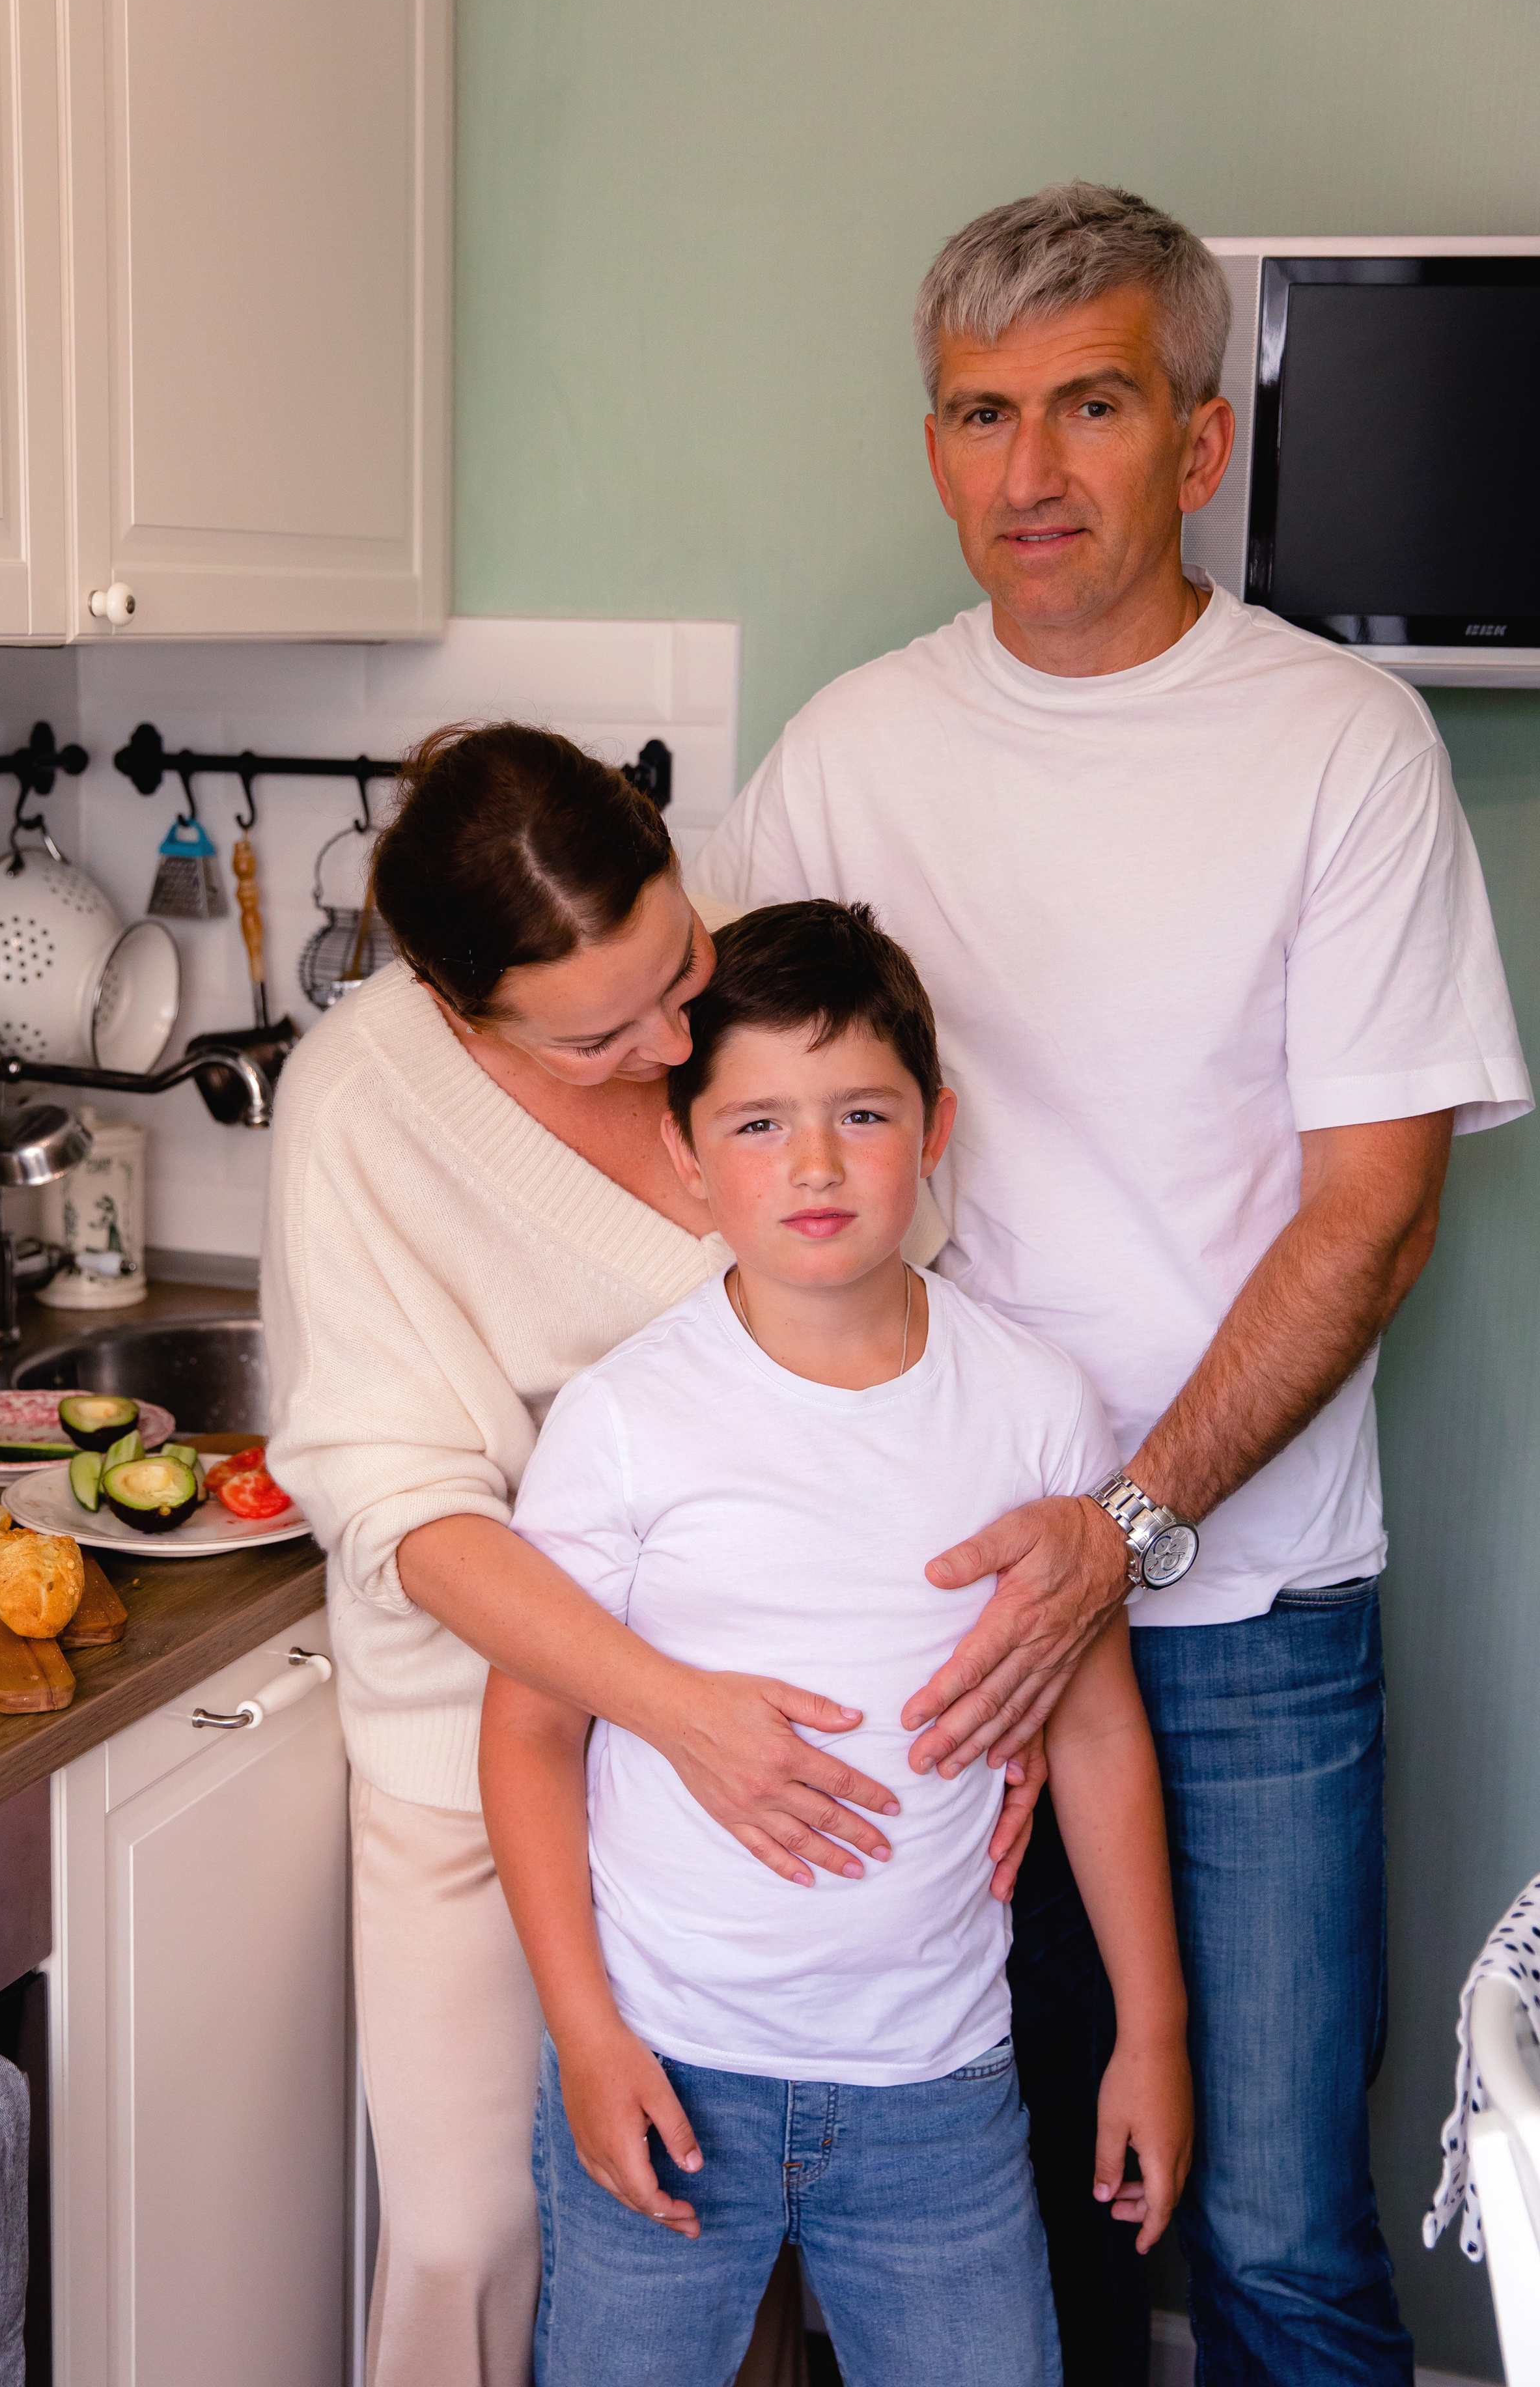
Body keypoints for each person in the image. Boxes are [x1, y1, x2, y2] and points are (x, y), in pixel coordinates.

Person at [692, 183, 1532, 2384]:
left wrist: (1127, 1527)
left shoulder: (1339, 743)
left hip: (1241, 1616)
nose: (1032, 469)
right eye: (982, 414)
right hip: (937, 1615)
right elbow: (708, 1104)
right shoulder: (854, 754)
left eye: (1092, 404)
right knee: (999, 2206)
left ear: (1200, 441)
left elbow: (1375, 1211)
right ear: (934, 446)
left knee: (1272, 2229)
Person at [260, 723, 1033, 2387]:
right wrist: (670, 1710)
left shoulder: (756, 968)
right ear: (462, 1011)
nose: (673, 1040)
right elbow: (402, 1505)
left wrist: (992, 1688)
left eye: (676, 970)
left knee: (729, 2220)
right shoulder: (360, 1109)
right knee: (474, 2229)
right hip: (499, 1742)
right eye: (601, 1035)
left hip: (803, 1752)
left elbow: (901, 1312)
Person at [482, 900, 1192, 2387]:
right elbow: (531, 1732)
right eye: (757, 1123)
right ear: (685, 1156)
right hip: (666, 2064)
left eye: (860, 1113)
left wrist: (1153, 2029)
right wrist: (585, 2038)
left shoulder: (1034, 1405)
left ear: (934, 1128)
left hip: (938, 2093)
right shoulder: (623, 1420)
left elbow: (1093, 1727)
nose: (814, 1164)